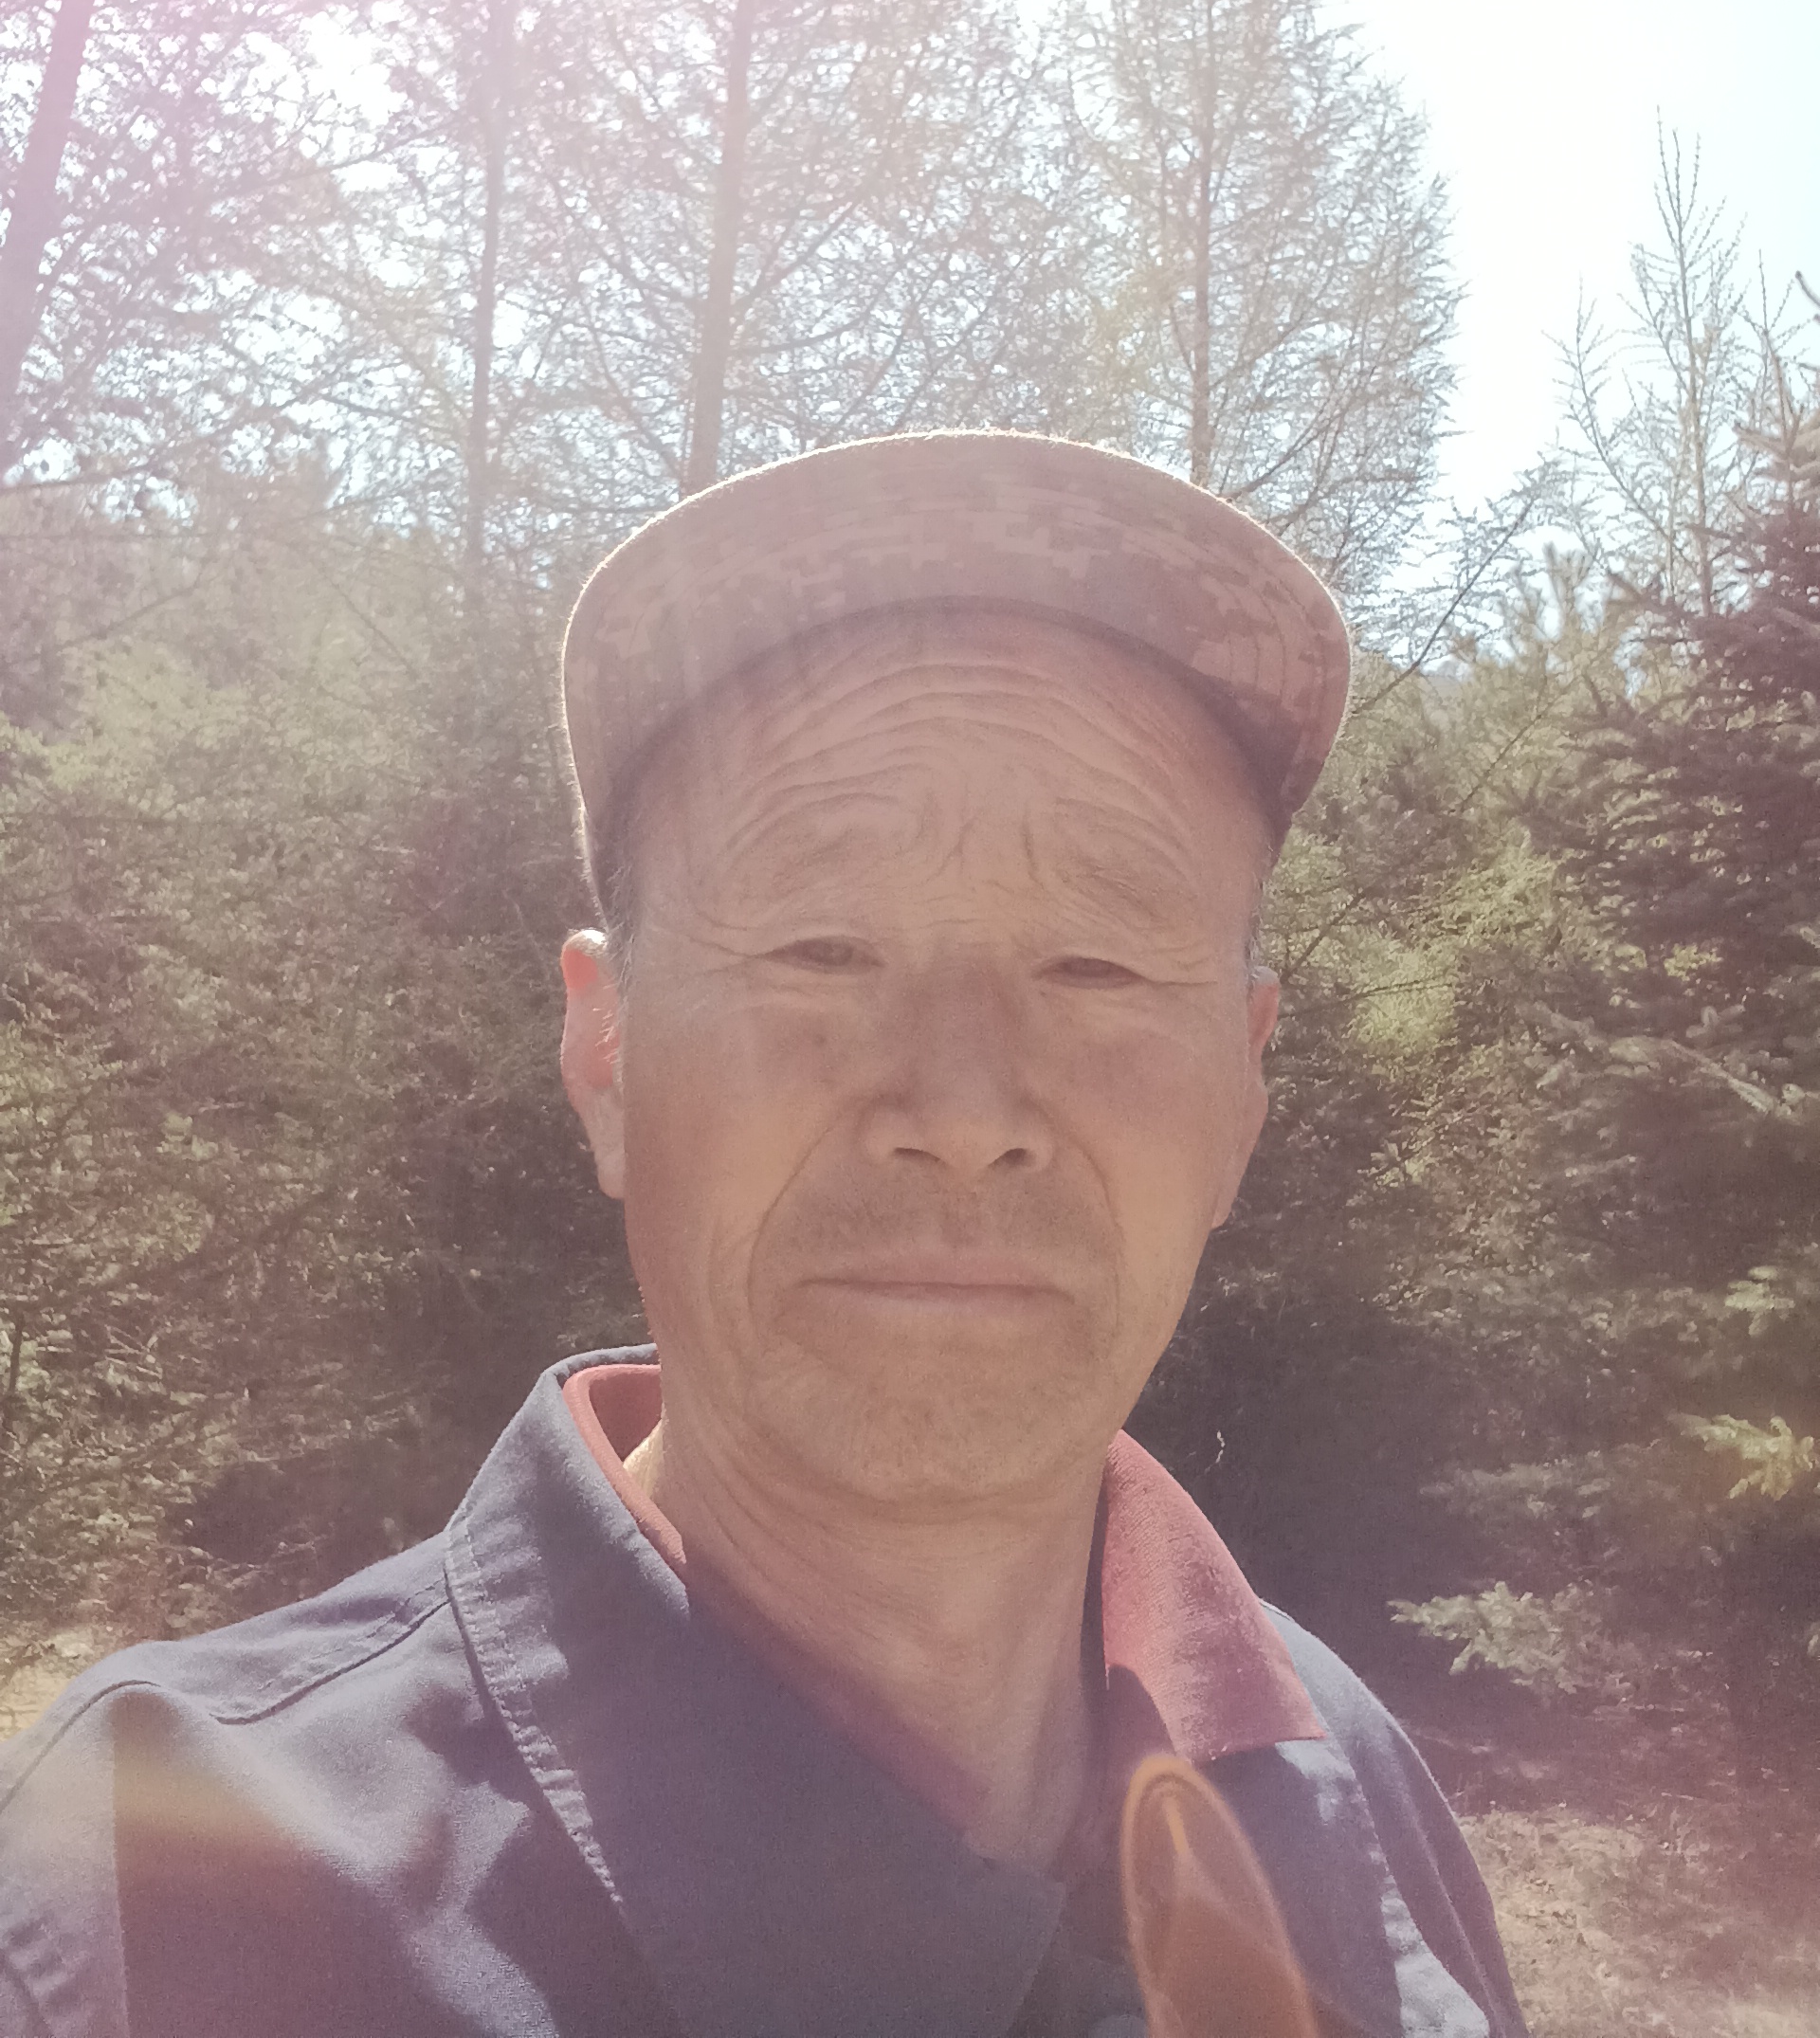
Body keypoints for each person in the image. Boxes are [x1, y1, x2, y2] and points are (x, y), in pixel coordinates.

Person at [0, 433, 1528, 2038]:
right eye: (820, 950)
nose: (964, 1106)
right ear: (607, 1057)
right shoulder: (146, 1914)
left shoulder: (1348, 1789)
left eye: (1099, 967)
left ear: (1241, 1092)